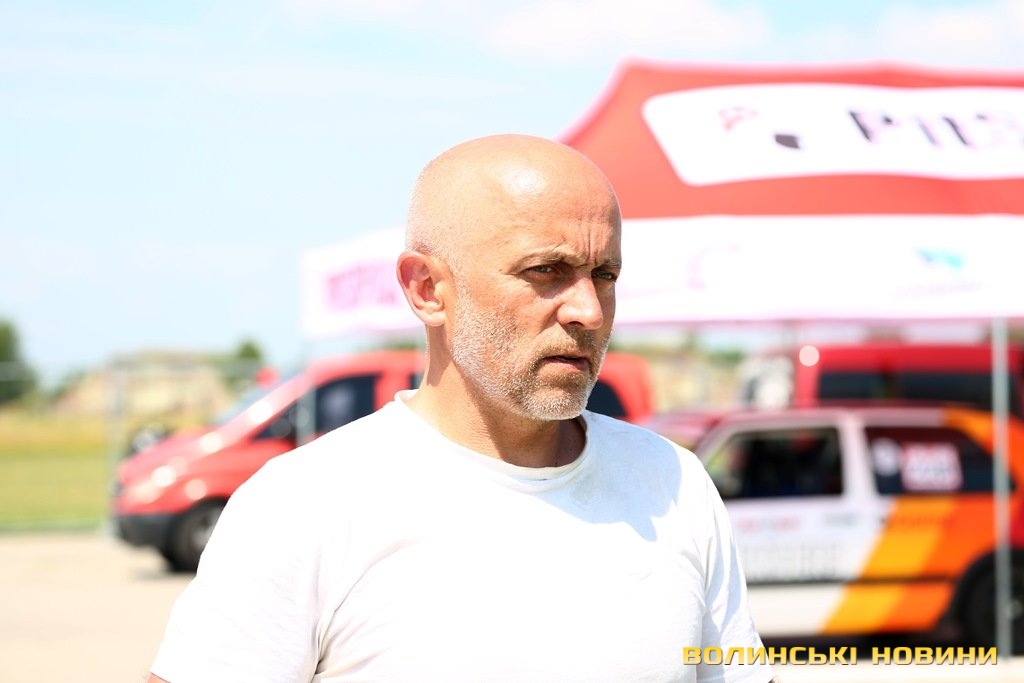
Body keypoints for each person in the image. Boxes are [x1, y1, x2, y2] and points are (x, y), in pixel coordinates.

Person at [146, 134, 774, 683]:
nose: (588, 310)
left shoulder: (672, 483)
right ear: (427, 289)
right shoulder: (304, 505)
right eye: (546, 270)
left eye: (605, 274)